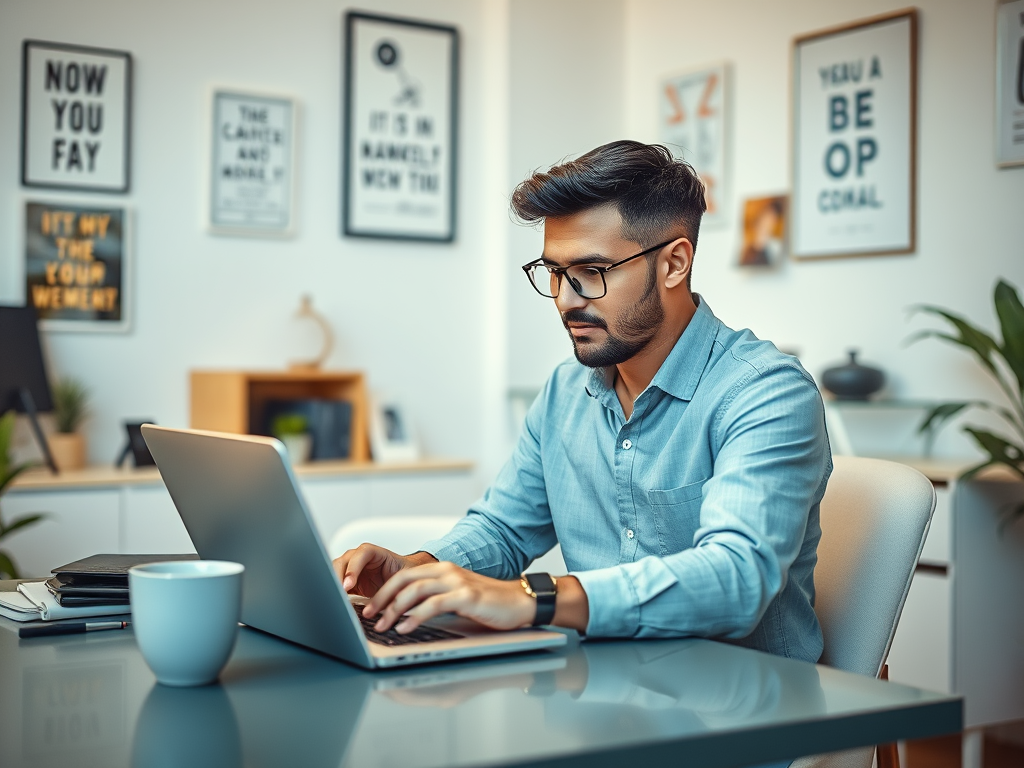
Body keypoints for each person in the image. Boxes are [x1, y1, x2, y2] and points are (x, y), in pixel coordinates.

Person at [334, 140, 832, 662]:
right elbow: (503, 531)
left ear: (674, 264)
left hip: (746, 716)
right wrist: (418, 569)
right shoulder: (565, 391)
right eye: (553, 273)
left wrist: (534, 599)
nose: (567, 299)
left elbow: (736, 580)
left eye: (591, 272)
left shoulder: (766, 393)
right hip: (601, 695)